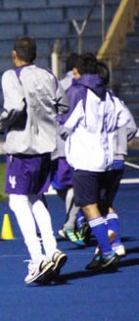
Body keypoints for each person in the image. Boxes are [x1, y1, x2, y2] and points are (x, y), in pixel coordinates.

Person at [0, 37, 69, 284]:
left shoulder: (11, 76)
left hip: (23, 149)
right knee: (36, 198)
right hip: (45, 149)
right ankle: (52, 249)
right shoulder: (48, 74)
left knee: (17, 202)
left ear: (15, 54)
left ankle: (37, 258)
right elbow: (63, 104)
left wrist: (1, 123)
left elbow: (15, 106)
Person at [80, 61, 136, 269]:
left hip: (100, 159)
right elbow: (130, 126)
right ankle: (117, 243)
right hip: (117, 158)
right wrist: (120, 140)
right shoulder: (115, 100)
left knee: (92, 204)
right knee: (105, 203)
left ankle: (108, 243)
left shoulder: (93, 100)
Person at [53, 53, 85, 247]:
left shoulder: (59, 85)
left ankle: (73, 220)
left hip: (60, 144)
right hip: (75, 144)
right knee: (73, 186)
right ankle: (74, 220)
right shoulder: (82, 87)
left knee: (63, 185)